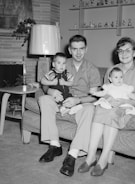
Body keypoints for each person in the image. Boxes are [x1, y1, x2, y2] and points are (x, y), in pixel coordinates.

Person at [78, 37, 135, 176]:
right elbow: (106, 91)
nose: (124, 53)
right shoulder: (111, 69)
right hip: (110, 105)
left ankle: (103, 160)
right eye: (120, 51)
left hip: (130, 107)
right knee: (99, 110)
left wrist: (122, 101)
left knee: (112, 113)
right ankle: (90, 157)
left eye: (128, 50)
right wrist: (108, 99)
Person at [38, 34, 101, 177]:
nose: (78, 52)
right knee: (44, 99)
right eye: (75, 49)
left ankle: (72, 155)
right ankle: (54, 145)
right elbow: (45, 84)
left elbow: (94, 96)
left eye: (81, 49)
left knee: (90, 109)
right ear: (69, 50)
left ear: (86, 49)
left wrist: (78, 100)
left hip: (80, 103)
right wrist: (51, 90)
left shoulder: (92, 69)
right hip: (60, 100)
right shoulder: (61, 63)